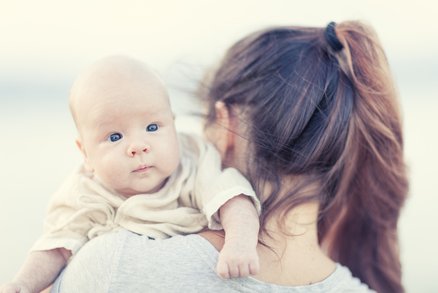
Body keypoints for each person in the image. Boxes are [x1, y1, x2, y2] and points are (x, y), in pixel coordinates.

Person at [0, 56, 262, 293]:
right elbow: (56, 246)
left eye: (152, 126)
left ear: (172, 124)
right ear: (86, 154)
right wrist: (23, 284)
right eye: (115, 136)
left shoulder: (193, 161)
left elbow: (234, 198)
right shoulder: (84, 194)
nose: (138, 146)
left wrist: (239, 244)